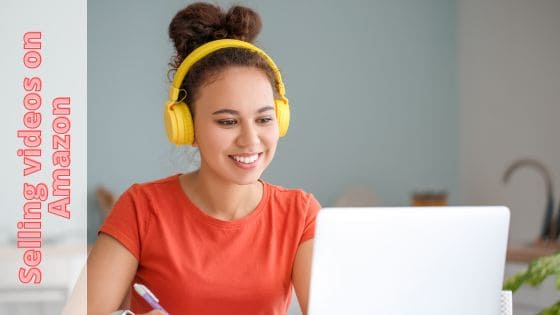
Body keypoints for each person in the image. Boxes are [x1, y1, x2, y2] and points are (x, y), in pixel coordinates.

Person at [86, 2, 321, 315]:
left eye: (264, 119)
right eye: (227, 121)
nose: (250, 140)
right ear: (186, 127)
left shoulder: (300, 214)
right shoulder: (142, 208)